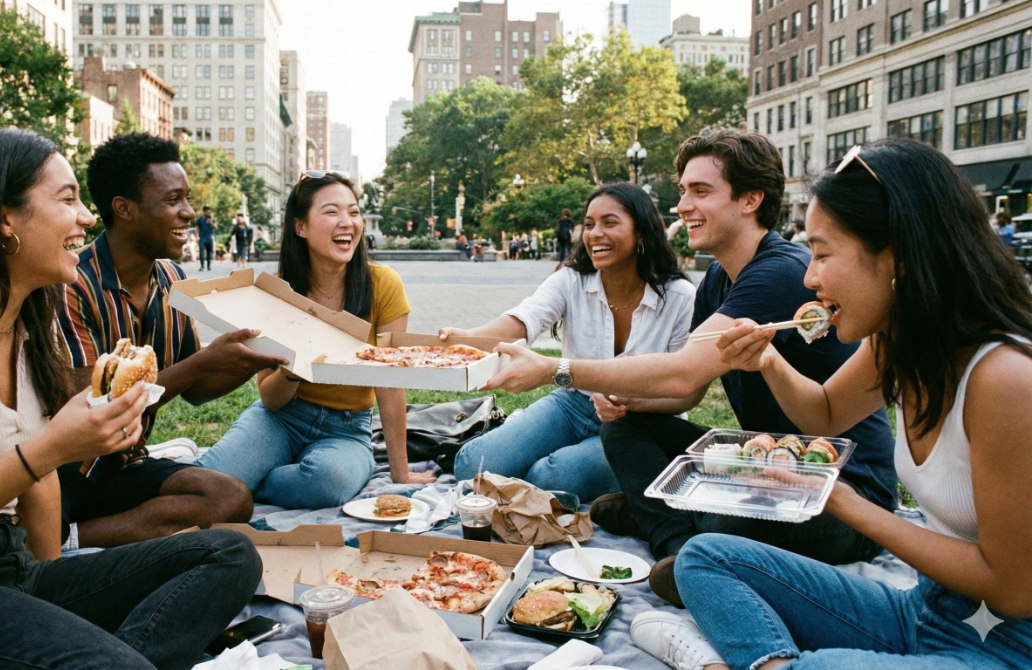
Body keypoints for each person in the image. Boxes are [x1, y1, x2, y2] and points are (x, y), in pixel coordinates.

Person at [0, 127, 261, 670]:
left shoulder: (29, 326)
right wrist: (50, 450)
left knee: (229, 553)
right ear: (4, 218)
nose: (86, 218)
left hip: (5, 569)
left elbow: (39, 494)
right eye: (67, 199)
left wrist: (54, 595)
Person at [631, 139, 1032, 670]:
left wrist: (838, 499)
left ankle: (744, 662)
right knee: (704, 558)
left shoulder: (1005, 379)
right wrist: (768, 360)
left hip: (1009, 648)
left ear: (899, 257)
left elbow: (1013, 591)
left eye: (822, 254)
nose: (809, 277)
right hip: (926, 614)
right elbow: (823, 414)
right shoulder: (898, 341)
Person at [483, 129, 897, 608]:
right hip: (759, 462)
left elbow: (681, 372)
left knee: (724, 517)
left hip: (841, 489)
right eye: (682, 191)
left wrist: (555, 369)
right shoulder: (718, 276)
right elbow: (688, 392)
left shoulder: (781, 272)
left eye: (700, 191)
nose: (682, 206)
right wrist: (631, 401)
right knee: (627, 428)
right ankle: (678, 543)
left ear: (751, 200)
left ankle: (671, 530)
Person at [58, 133, 288, 549]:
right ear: (124, 209)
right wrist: (205, 361)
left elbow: (196, 390)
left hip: (124, 464)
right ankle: (55, 534)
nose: (189, 213)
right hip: (64, 473)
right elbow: (97, 412)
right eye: (173, 200)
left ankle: (75, 537)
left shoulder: (172, 279)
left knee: (230, 497)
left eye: (187, 199)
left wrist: (259, 356)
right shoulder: (72, 284)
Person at [197, 171, 437, 509]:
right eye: (331, 212)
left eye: (354, 212)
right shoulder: (276, 292)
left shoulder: (383, 284)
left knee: (327, 481)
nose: (347, 222)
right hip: (282, 418)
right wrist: (295, 366)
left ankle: (248, 485)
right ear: (301, 227)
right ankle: (238, 480)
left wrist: (400, 472)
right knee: (208, 481)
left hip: (347, 429)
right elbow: (271, 400)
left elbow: (390, 382)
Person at [443, 182, 695, 502]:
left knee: (552, 478)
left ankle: (638, 466)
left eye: (609, 222)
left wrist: (631, 402)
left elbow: (685, 393)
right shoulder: (571, 279)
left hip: (642, 420)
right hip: (572, 402)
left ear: (642, 233)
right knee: (472, 465)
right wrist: (468, 338)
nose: (595, 233)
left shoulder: (680, 297)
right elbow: (524, 319)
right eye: (588, 224)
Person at [194, 206, 215, 271]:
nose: (208, 213)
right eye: (207, 212)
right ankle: (202, 266)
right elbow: (197, 229)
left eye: (209, 212)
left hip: (209, 238)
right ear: (204, 212)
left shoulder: (211, 219)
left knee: (209, 252)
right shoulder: (199, 219)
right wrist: (197, 236)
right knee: (201, 252)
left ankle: (209, 266)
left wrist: (211, 223)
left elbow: (215, 227)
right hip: (202, 238)